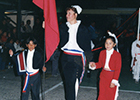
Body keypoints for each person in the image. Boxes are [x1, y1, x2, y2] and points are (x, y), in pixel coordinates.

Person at [58, 5, 92, 100]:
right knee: (68, 82)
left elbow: (87, 45)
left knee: (74, 82)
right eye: (67, 13)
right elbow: (54, 34)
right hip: (65, 57)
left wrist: (90, 60)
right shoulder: (63, 27)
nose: (67, 15)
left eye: (70, 13)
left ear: (75, 15)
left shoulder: (83, 28)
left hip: (77, 57)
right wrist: (46, 27)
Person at [89, 35, 122, 100]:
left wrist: (114, 80)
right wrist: (94, 65)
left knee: (110, 95)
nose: (107, 45)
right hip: (103, 76)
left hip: (111, 76)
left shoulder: (117, 55)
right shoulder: (102, 52)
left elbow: (118, 69)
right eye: (106, 43)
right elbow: (100, 64)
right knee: (102, 94)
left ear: (114, 44)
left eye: (110, 43)